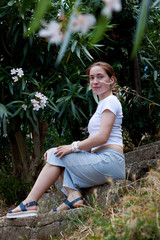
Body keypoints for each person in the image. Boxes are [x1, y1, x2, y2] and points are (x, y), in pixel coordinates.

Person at [6, 61, 125, 218]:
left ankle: (30, 202)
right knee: (57, 154)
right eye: (92, 78)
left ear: (112, 80)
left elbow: (102, 137)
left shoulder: (110, 101)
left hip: (109, 160)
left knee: (56, 154)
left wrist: (73, 147)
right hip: (104, 160)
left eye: (100, 77)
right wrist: (66, 149)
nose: (95, 81)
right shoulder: (104, 103)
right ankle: (73, 196)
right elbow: (95, 142)